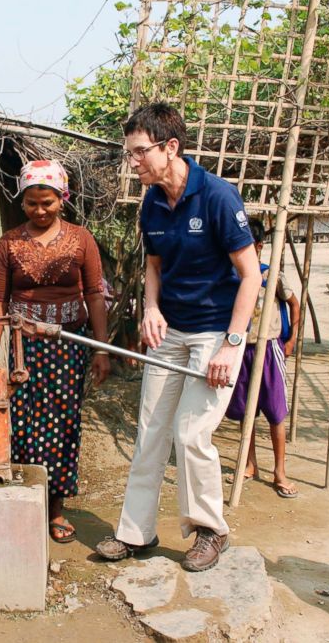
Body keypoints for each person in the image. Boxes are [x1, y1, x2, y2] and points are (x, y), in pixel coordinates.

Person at [95, 102, 259, 572]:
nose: (133, 163)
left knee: (191, 433)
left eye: (140, 152)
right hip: (172, 330)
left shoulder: (218, 197)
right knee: (150, 431)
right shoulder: (151, 202)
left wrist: (233, 342)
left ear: (171, 147)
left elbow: (250, 276)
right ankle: (136, 533)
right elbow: (154, 265)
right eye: (129, 154)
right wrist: (150, 308)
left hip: (215, 333)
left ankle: (211, 530)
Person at [0, 159, 110, 544]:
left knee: (62, 425)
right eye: (31, 204)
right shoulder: (9, 242)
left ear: (63, 199)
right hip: (22, 350)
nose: (40, 211)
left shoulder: (81, 239)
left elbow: (94, 293)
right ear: (22, 202)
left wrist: (102, 350)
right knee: (22, 425)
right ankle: (27, 504)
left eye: (48, 203)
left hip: (68, 348)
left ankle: (55, 508)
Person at [225, 218, 301, 498]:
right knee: (247, 413)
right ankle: (250, 462)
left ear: (258, 246)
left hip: (269, 348)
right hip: (243, 348)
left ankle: (280, 471)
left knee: (276, 413)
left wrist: (291, 339)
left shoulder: (271, 276)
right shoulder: (232, 275)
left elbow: (294, 303)